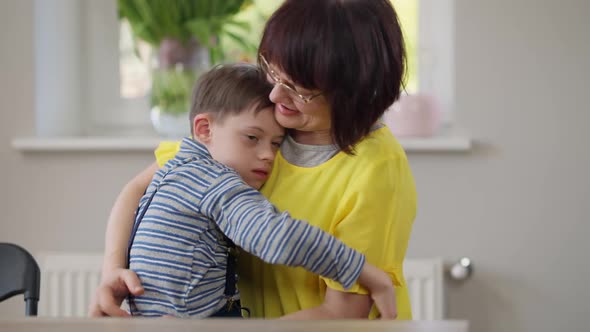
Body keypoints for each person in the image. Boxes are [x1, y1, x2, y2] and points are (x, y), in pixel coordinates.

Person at [90, 0, 416, 320]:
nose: (275, 96)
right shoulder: (259, 125)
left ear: (352, 95)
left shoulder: (377, 171)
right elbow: (136, 189)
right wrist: (112, 270)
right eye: (274, 71)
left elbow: (340, 315)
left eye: (299, 90)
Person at [125, 63, 396, 318]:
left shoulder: (176, 168)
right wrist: (362, 271)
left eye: (276, 143)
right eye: (252, 138)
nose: (268, 155)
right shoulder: (213, 182)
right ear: (204, 128)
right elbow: (277, 237)